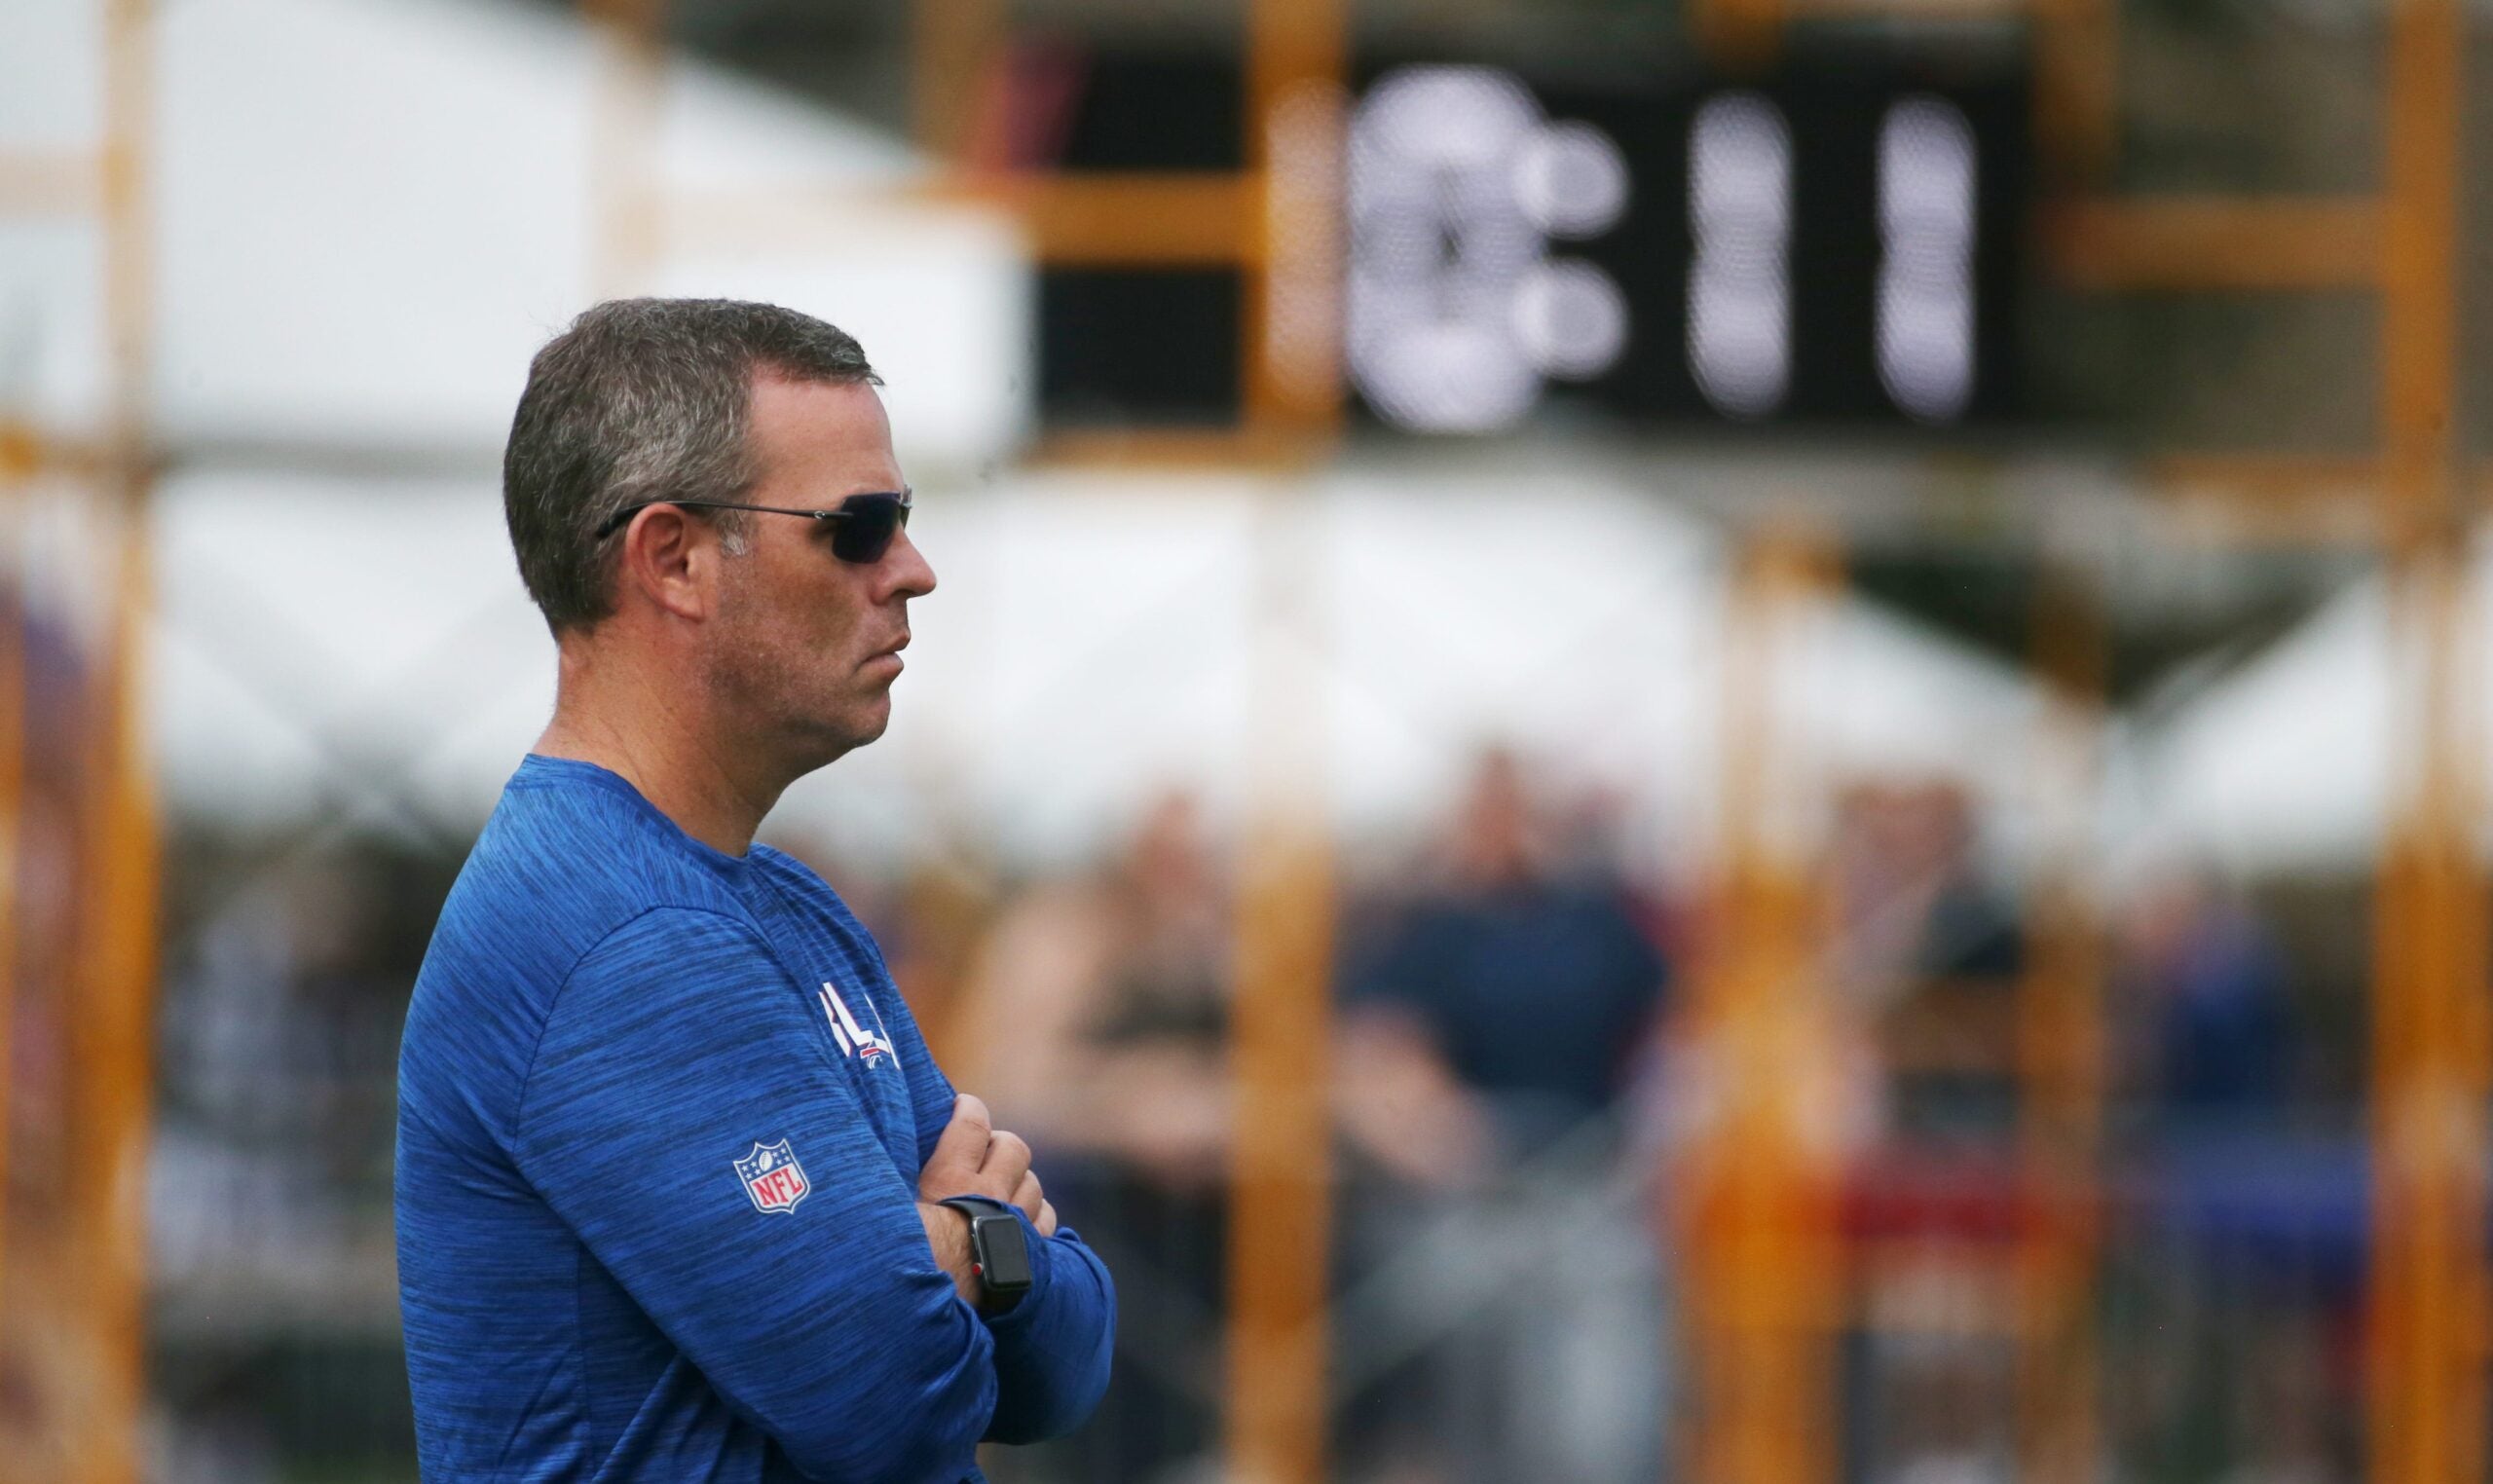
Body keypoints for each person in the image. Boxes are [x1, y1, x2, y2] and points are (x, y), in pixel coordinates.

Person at [394, 299, 1115, 1483]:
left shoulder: (782, 904)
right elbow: (893, 1397)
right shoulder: (619, 941)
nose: (914, 572)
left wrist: (942, 1246)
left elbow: (1068, 1364)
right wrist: (976, 1243)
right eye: (859, 527)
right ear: (672, 559)